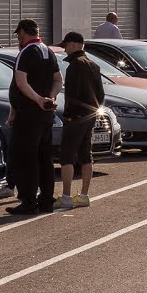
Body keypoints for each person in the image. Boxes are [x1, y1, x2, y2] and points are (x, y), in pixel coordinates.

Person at [5, 18, 62, 216]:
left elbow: (20, 82)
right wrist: (50, 98)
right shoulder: (48, 51)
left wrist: (38, 99)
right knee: (44, 158)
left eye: (18, 35)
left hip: (29, 114)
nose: (18, 39)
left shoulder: (27, 52)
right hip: (45, 114)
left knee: (26, 158)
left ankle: (28, 201)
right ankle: (46, 200)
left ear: (23, 32)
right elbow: (58, 80)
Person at [55, 32, 103, 210]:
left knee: (67, 156)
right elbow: (100, 95)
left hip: (75, 117)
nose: (65, 50)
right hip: (90, 116)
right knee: (85, 154)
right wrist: (94, 110)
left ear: (74, 44)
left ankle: (66, 196)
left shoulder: (74, 66)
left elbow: (72, 94)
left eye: (66, 45)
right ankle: (84, 195)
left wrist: (69, 114)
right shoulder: (94, 65)